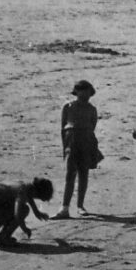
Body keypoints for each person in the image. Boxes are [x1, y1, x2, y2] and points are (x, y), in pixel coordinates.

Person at [53, 80, 101, 219]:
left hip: (86, 141)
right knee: (70, 174)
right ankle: (65, 207)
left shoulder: (92, 109)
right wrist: (65, 147)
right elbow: (63, 127)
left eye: (87, 91)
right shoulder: (68, 106)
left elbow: (92, 127)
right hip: (72, 141)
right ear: (76, 92)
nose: (85, 94)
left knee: (83, 173)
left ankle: (80, 206)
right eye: (82, 91)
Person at [0, 177, 54, 249]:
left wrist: (37, 212)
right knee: (24, 210)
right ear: (37, 192)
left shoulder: (26, 186)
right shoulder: (22, 191)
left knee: (21, 208)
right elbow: (18, 215)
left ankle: (3, 236)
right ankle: (3, 238)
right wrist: (25, 229)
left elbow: (29, 196)